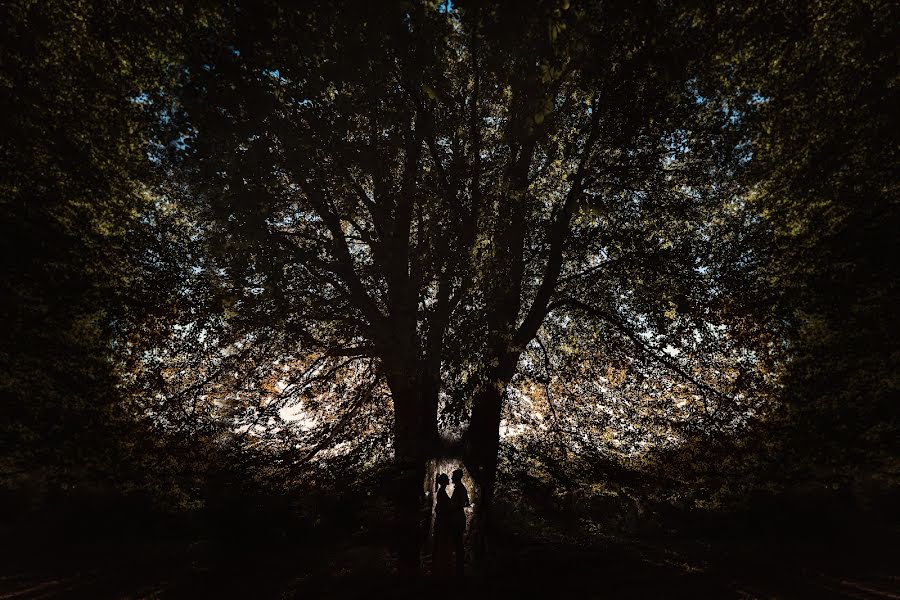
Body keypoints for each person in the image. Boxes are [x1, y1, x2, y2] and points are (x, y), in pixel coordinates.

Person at [449, 468, 470, 576]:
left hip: (458, 519)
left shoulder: (460, 488)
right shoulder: (459, 488)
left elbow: (465, 503)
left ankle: (459, 568)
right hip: (457, 518)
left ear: (457, 477)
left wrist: (453, 507)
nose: (452, 478)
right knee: (457, 543)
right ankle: (459, 567)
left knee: (458, 543)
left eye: (453, 476)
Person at [432, 472, 453, 576]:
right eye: (447, 479)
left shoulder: (442, 492)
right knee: (441, 542)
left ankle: (438, 567)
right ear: (445, 482)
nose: (449, 480)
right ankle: (439, 568)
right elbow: (442, 508)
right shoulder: (441, 492)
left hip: (441, 521)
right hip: (442, 521)